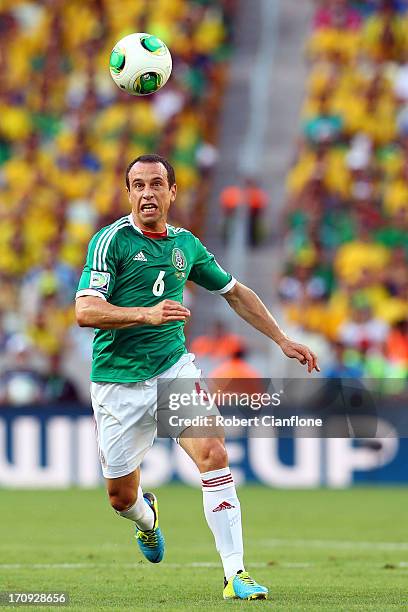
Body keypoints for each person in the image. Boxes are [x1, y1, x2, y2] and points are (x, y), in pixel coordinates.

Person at [75, 154, 319, 601]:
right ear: (128, 192)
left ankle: (235, 575)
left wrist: (282, 340)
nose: (147, 193)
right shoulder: (111, 242)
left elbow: (234, 292)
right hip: (117, 381)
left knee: (213, 452)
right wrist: (145, 314)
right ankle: (146, 518)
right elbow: (85, 310)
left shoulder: (186, 245)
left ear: (173, 192)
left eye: (156, 184)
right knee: (120, 499)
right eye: (138, 185)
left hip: (173, 370)